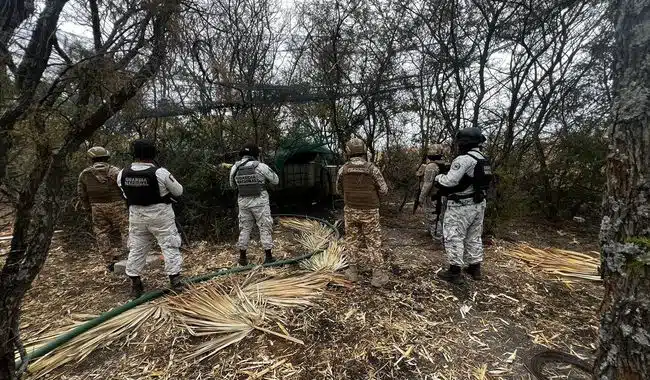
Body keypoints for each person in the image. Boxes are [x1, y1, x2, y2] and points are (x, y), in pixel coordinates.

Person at [117, 139, 184, 298]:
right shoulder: (160, 172)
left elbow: (125, 194)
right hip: (160, 215)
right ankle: (175, 281)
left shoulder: (122, 173)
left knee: (137, 248)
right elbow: (178, 191)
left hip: (136, 216)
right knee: (169, 245)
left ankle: (135, 285)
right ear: (153, 154)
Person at [434, 128, 492, 284]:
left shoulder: (464, 159)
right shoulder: (483, 159)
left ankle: (454, 271)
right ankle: (475, 267)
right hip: (479, 204)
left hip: (461, 205)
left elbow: (449, 181)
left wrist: (438, 177)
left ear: (463, 143)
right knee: (474, 236)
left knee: (453, 236)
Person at [336, 138, 389, 287]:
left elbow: (338, 190)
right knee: (373, 242)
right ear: (363, 151)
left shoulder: (343, 169)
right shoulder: (372, 169)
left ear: (348, 152)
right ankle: (377, 276)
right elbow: (384, 190)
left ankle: (352, 273)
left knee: (352, 241)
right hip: (370, 212)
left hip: (351, 210)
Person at [77, 146, 128, 272]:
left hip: (97, 206)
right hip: (118, 204)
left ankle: (110, 262)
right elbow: (126, 188)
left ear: (91, 159)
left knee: (101, 233)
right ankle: (130, 258)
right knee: (126, 229)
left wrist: (88, 208)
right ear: (106, 157)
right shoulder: (115, 171)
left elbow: (82, 194)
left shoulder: (85, 174)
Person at [230, 142, 279, 266]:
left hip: (243, 201)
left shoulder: (235, 167)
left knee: (245, 228)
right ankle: (268, 257)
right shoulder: (260, 166)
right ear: (255, 154)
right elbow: (276, 180)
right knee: (264, 227)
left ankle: (242, 258)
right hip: (260, 201)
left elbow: (232, 185)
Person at [418, 144, 448, 240]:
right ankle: (435, 233)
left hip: (433, 196)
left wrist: (421, 197)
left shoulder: (431, 166)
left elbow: (427, 184)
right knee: (440, 216)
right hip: (442, 195)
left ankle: (437, 236)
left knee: (432, 216)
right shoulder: (444, 164)